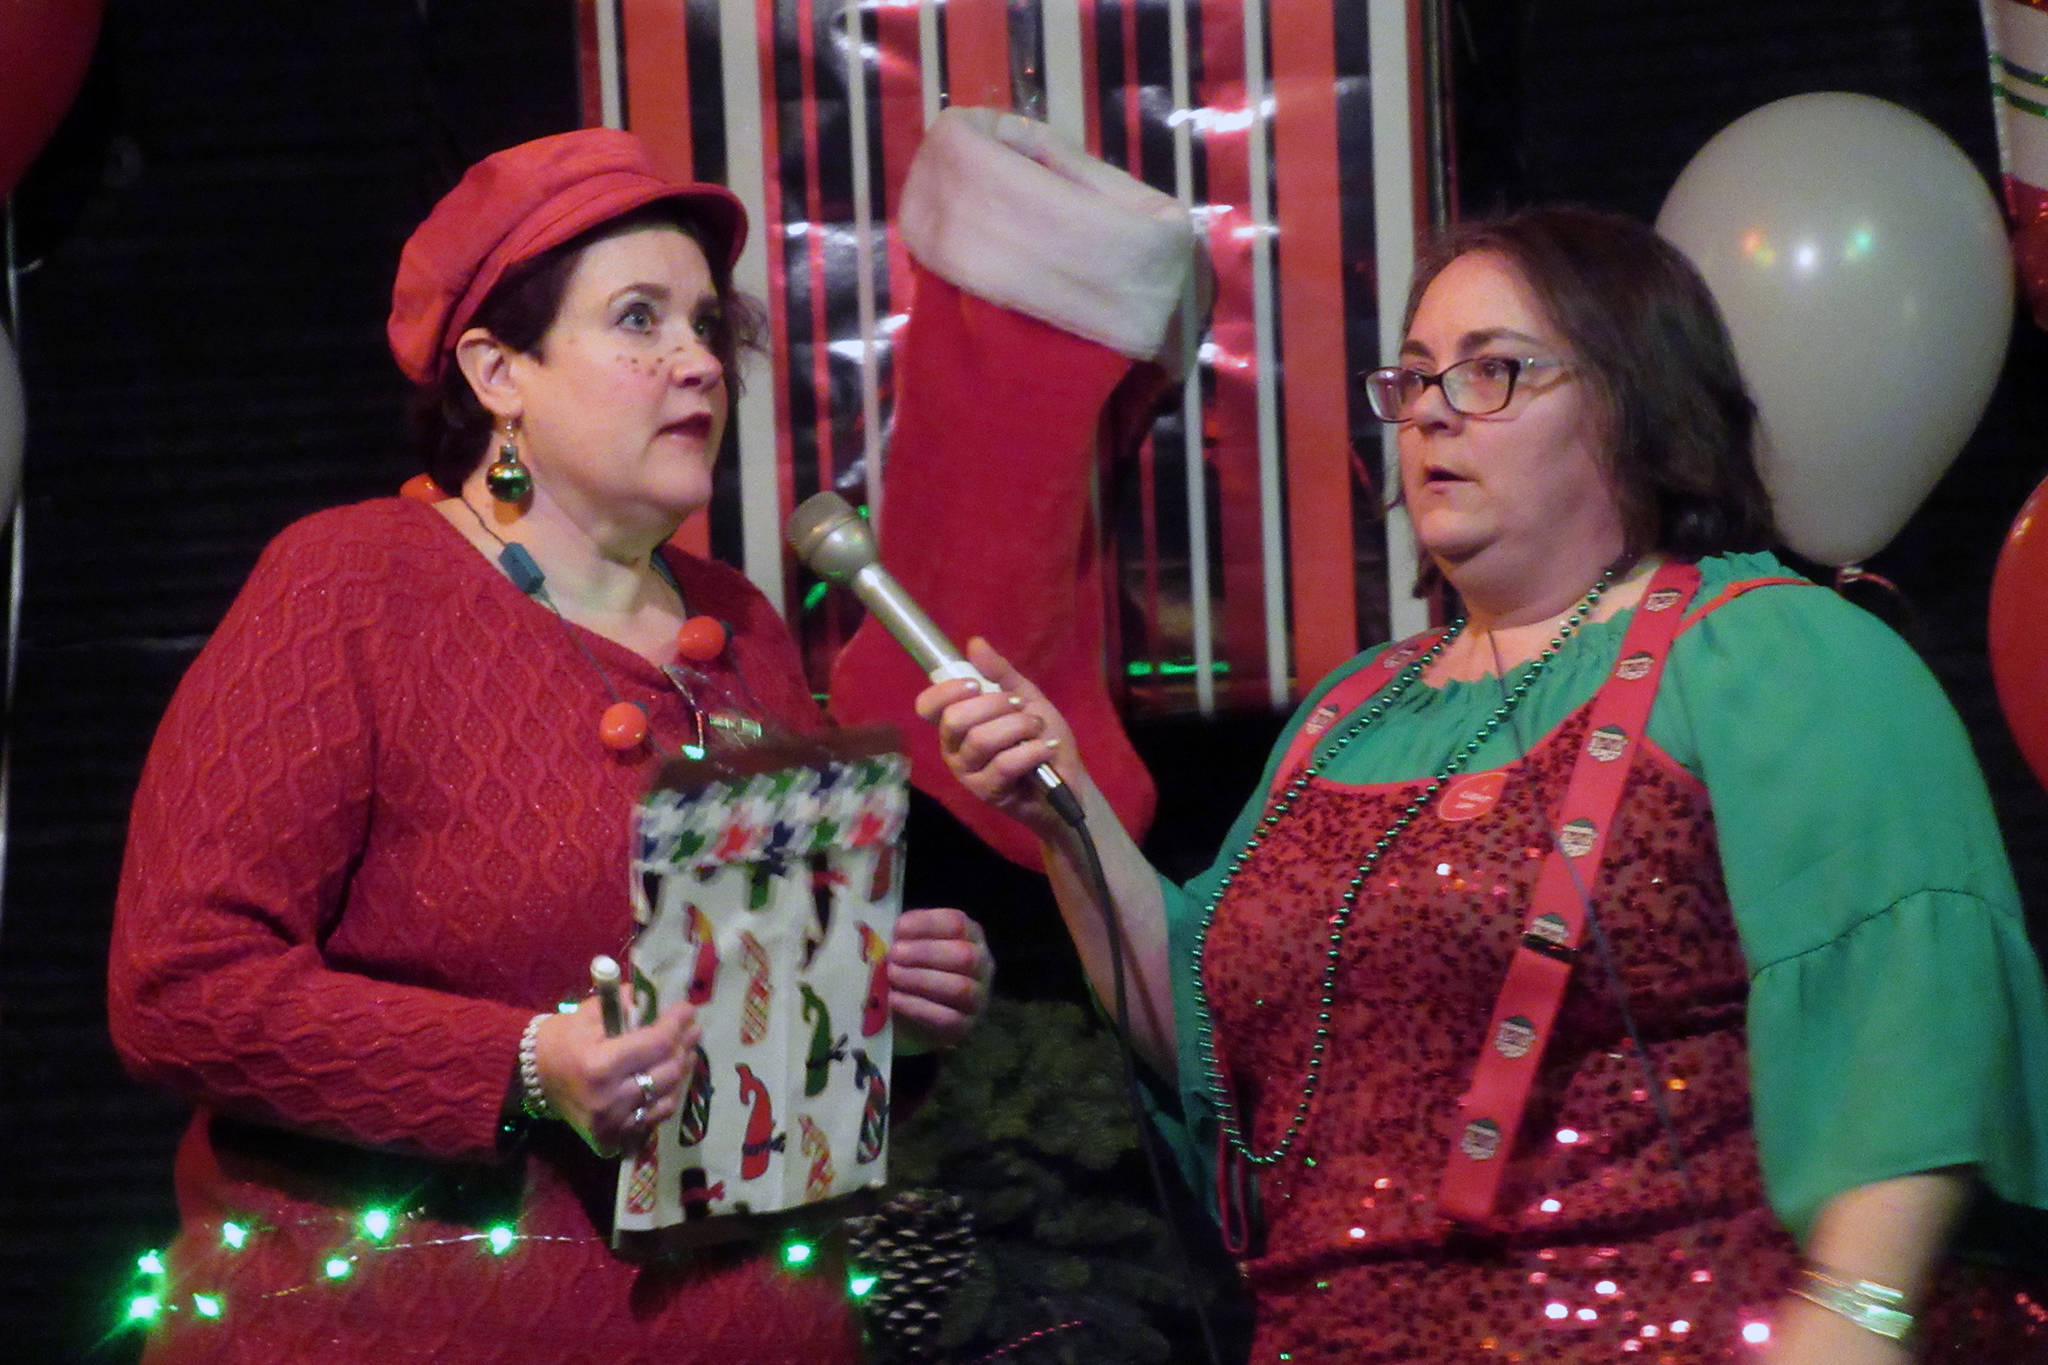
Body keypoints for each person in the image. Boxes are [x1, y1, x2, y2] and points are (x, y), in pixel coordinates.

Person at [919, 205, 2048, 1363]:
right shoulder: (1350, 714)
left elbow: (1913, 1012)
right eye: (1413, 379)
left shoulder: (1766, 651)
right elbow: (1205, 1045)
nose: (1431, 411)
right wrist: (1061, 812)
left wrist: (1855, 1316)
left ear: (1631, 401)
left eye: (1491, 370)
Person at [108, 128, 992, 1365]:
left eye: (706, 325)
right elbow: (178, 990)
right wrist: (525, 1064)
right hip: (404, 1333)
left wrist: (875, 999)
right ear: (497, 372)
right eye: (639, 320)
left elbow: (766, 1059)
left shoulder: (741, 625)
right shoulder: (353, 586)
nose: (698, 361)